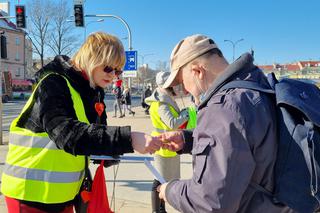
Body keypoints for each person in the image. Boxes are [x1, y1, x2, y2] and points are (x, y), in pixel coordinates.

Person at [0, 32, 162, 213]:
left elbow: (92, 135)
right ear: (90, 58)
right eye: (108, 68)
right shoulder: (53, 83)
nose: (113, 76)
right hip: (29, 193)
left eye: (118, 71)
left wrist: (109, 150)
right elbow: (67, 134)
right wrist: (128, 139)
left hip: (63, 193)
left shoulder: (92, 90)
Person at [157, 34, 293, 212]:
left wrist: (170, 190)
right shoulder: (257, 85)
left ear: (197, 71)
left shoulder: (222, 108)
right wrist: (189, 139)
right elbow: (249, 140)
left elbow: (210, 203)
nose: (184, 89)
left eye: (183, 82)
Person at [145, 71, 195, 213]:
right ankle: (157, 210)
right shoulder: (162, 103)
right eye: (173, 85)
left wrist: (183, 113)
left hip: (168, 144)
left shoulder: (165, 98)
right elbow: (172, 123)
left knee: (164, 179)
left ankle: (161, 209)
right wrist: (185, 114)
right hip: (163, 145)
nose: (175, 87)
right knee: (159, 179)